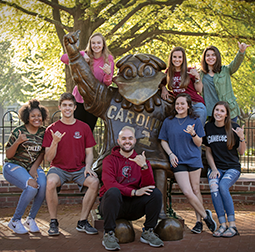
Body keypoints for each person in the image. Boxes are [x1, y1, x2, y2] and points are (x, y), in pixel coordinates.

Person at [42, 92, 99, 236]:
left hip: (79, 169)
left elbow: (90, 153)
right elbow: (49, 158)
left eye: (70, 105)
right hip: (59, 168)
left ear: (74, 107)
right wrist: (55, 142)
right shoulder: (51, 129)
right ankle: (53, 221)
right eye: (64, 105)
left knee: (94, 182)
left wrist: (88, 167)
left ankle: (83, 221)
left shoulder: (84, 127)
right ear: (60, 107)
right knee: (50, 183)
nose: (67, 108)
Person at [159, 93, 216, 234]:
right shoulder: (168, 121)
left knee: (196, 190)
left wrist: (193, 134)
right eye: (177, 104)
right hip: (178, 160)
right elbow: (163, 140)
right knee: (187, 191)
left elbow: (199, 143)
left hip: (193, 159)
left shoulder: (195, 121)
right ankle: (206, 217)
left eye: (182, 104)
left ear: (188, 106)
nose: (179, 106)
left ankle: (198, 222)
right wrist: (171, 154)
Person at [99, 126, 164, 250]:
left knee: (155, 193)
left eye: (130, 138)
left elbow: (149, 186)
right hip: (113, 206)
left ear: (135, 141)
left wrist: (144, 167)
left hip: (133, 206)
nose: (127, 141)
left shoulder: (141, 160)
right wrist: (134, 192)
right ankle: (108, 234)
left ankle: (148, 231)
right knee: (113, 191)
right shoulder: (109, 160)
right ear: (118, 141)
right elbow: (110, 184)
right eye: (123, 139)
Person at [3, 99, 48, 234]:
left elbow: (42, 152)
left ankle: (30, 219)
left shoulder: (43, 132)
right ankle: (15, 221)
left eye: (39, 116)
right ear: (27, 117)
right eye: (33, 116)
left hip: (31, 166)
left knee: (43, 184)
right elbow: (9, 155)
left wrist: (34, 168)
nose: (36, 118)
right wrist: (18, 142)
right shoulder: (19, 131)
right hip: (13, 165)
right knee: (31, 186)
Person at [203, 101, 246, 237]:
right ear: (213, 111)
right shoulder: (208, 127)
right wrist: (214, 169)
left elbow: (242, 152)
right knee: (214, 186)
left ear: (227, 114)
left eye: (222, 111)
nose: (219, 113)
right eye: (217, 110)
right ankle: (222, 225)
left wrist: (242, 138)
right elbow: (208, 152)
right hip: (216, 168)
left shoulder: (234, 128)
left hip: (232, 167)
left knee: (223, 186)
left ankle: (232, 226)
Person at [61, 32, 114, 131]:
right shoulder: (83, 55)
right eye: (93, 43)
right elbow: (63, 58)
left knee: (88, 131)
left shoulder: (108, 59)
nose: (96, 45)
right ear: (90, 44)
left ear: (103, 44)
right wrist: (81, 54)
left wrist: (108, 73)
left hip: (94, 100)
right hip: (79, 98)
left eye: (99, 43)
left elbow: (107, 83)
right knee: (75, 130)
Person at [200, 42, 250, 122]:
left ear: (217, 57)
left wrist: (241, 51)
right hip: (212, 114)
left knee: (231, 134)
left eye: (213, 55)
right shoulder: (201, 74)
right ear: (204, 58)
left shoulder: (225, 70)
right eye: (208, 55)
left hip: (228, 112)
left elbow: (235, 63)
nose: (210, 57)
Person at [161, 46, 207, 126]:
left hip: (195, 105)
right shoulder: (169, 72)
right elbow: (161, 83)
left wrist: (197, 77)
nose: (177, 59)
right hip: (180, 107)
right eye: (174, 57)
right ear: (171, 58)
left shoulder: (189, 71)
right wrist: (163, 89)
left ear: (183, 59)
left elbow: (199, 90)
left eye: (180, 57)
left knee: (196, 134)